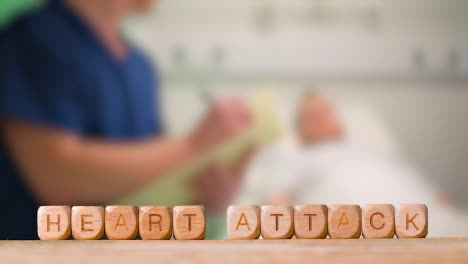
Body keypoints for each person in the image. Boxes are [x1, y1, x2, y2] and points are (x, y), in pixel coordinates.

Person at [0, 0, 253, 239]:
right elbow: (57, 176)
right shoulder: (34, 39)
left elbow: (152, 185)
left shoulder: (139, 67)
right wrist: (193, 146)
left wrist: (207, 204)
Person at [237, 93, 468, 237]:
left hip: (431, 222)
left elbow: (439, 200)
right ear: (299, 130)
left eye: (325, 112)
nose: (319, 118)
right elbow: (276, 207)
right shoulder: (297, 158)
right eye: (309, 116)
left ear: (338, 119)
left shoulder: (380, 155)